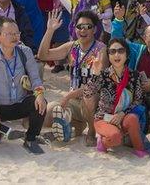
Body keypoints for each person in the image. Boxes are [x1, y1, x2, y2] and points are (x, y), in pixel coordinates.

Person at [0, 16, 47, 154]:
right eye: (9, 34)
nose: (14, 37)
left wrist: (40, 94)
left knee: (40, 104)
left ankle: (30, 138)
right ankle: (4, 131)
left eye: (16, 33)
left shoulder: (25, 52)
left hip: (19, 103)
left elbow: (35, 78)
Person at [39, 8, 104, 145]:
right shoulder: (71, 47)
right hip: (74, 101)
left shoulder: (101, 49)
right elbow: (43, 55)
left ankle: (91, 133)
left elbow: (96, 84)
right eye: (79, 27)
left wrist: (68, 96)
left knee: (89, 95)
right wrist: (50, 30)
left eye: (88, 27)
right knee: (48, 113)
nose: (83, 30)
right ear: (74, 29)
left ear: (94, 30)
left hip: (95, 102)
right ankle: (76, 126)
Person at [85, 37, 148, 156]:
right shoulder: (103, 75)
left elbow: (139, 100)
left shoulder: (135, 76)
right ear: (108, 56)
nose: (116, 55)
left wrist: (122, 114)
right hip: (104, 118)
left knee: (133, 119)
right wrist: (95, 74)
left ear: (127, 54)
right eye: (112, 51)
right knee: (115, 138)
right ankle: (103, 142)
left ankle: (139, 150)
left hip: (122, 117)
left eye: (120, 51)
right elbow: (87, 93)